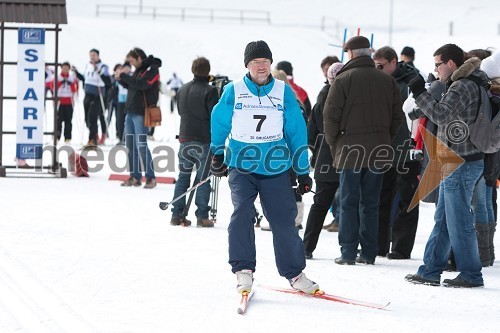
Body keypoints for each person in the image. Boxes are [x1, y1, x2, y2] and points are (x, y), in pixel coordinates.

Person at [210, 40, 319, 295]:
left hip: (276, 166)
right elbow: (219, 121)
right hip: (241, 165)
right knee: (242, 214)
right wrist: (217, 153)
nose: (261, 66)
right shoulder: (233, 90)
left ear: (271, 63)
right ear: (247, 65)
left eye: (265, 61)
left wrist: (302, 169)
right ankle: (243, 271)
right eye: (256, 62)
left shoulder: (283, 91)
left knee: (283, 220)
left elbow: (296, 131)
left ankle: (295, 273)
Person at [405, 44, 487, 288]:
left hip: (461, 163)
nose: (436, 69)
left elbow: (441, 115)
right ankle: (430, 269)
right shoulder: (465, 82)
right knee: (444, 219)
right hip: (456, 160)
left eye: (438, 64)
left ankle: (471, 274)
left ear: (451, 64)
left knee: (459, 221)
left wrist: (420, 91)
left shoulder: (463, 85)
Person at [323, 36, 404, 265]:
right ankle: (368, 253)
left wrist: (333, 143)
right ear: (369, 53)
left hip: (349, 149)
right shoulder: (387, 81)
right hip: (379, 150)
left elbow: (330, 116)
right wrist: (385, 137)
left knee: (349, 201)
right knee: (371, 202)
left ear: (350, 54)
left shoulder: (343, 80)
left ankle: (348, 252)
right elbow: (397, 116)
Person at [373, 46, 420, 260]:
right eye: (376, 66)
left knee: (407, 199)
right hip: (384, 149)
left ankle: (401, 247)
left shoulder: (411, 81)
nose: (379, 70)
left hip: (407, 149)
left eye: (381, 66)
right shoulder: (380, 81)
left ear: (394, 62)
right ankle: (378, 245)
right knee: (382, 197)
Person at [170, 57, 219, 227]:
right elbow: (214, 115)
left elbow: (180, 111)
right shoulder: (210, 90)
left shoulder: (182, 89)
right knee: (202, 179)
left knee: (183, 176)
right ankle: (202, 216)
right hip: (203, 139)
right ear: (208, 71)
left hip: (184, 137)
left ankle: (176, 214)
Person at [303, 61, 343, 259]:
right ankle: (353, 249)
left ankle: (306, 247)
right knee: (354, 202)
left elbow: (311, 136)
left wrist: (315, 154)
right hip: (352, 156)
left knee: (319, 204)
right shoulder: (350, 100)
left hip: (325, 160)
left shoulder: (321, 102)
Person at [115, 47, 160, 189]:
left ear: (140, 58)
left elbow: (142, 85)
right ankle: (135, 176)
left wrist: (124, 76)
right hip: (130, 112)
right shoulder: (139, 70)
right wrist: (121, 79)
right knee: (130, 146)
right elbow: (133, 86)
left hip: (141, 113)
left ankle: (151, 177)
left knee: (141, 146)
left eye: (133, 61)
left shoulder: (152, 70)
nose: (132, 64)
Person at [73, 49, 110, 148]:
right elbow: (84, 78)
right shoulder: (88, 65)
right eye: (90, 55)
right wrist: (76, 72)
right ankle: (94, 136)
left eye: (94, 55)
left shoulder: (103, 66)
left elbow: (108, 81)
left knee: (92, 116)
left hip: (98, 95)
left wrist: (100, 73)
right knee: (87, 119)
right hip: (88, 94)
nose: (92, 57)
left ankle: (92, 139)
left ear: (98, 56)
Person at [50, 62, 78, 143]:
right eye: (64, 68)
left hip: (69, 101)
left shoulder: (72, 78)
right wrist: (61, 82)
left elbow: (75, 89)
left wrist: (71, 84)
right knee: (59, 120)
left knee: (68, 121)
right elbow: (53, 87)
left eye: (67, 68)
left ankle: (68, 138)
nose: (65, 70)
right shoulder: (57, 77)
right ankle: (57, 137)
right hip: (60, 101)